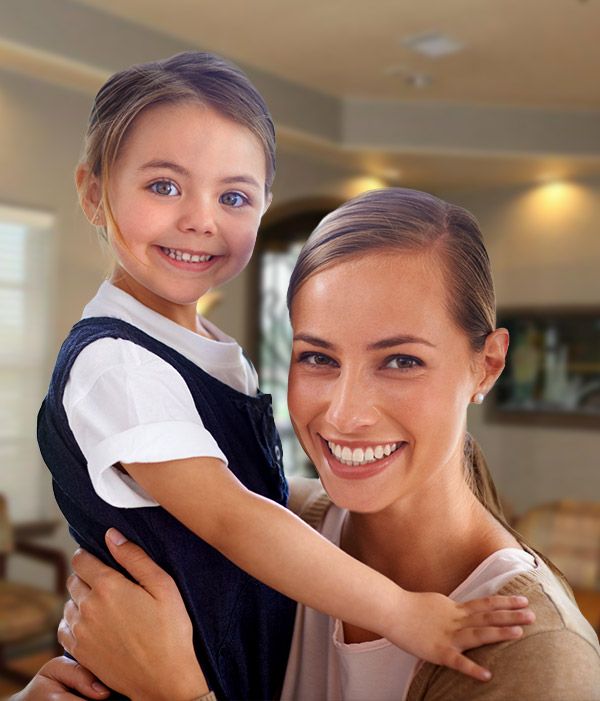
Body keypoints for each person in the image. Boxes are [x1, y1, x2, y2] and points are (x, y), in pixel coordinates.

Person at [33, 54, 530, 701]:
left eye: (233, 196)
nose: (200, 218)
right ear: (94, 192)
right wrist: (404, 611)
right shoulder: (117, 365)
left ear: (263, 208)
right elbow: (235, 517)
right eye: (164, 185)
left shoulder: (208, 349)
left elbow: (251, 484)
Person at [19, 188, 600, 701]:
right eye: (318, 358)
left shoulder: (537, 655)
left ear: (487, 365)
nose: (345, 413)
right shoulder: (280, 529)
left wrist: (175, 694)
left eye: (401, 361)